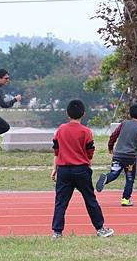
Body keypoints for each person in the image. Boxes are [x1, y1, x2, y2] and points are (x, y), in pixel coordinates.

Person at [51, 99, 114, 238]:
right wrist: (88, 162)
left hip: (64, 169)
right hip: (81, 169)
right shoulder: (86, 131)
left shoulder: (60, 130)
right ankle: (100, 228)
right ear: (83, 114)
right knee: (90, 199)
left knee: (61, 202)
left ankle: (57, 232)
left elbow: (56, 150)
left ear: (67, 113)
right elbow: (90, 151)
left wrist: (55, 168)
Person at [95, 104, 137, 206]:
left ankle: (106, 178)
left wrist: (110, 147)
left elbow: (113, 135)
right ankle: (125, 199)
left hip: (118, 155)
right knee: (129, 178)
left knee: (114, 173)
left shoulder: (124, 124)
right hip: (129, 157)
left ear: (129, 115)